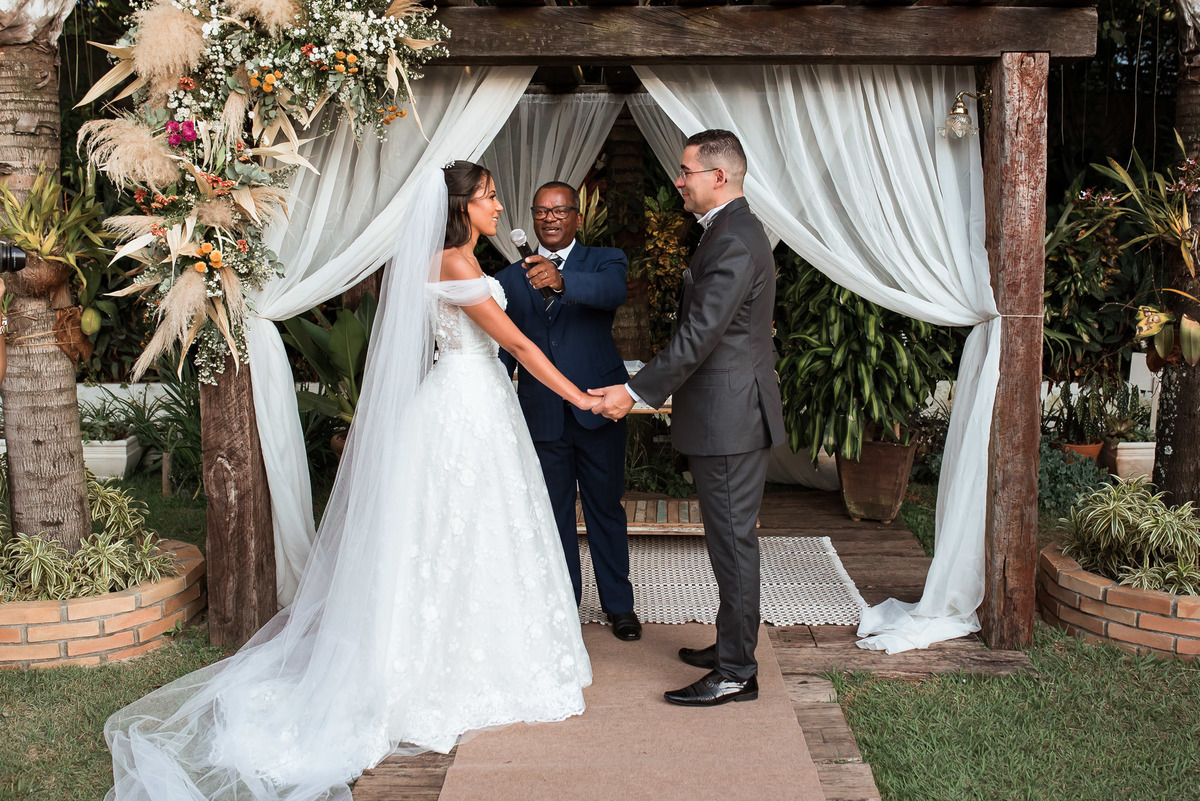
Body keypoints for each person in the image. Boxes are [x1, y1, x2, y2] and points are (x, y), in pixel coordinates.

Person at [103, 162, 596, 801]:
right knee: (459, 527)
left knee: (473, 529)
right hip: (465, 406)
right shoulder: (451, 262)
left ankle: (480, 644)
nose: (500, 207)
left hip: (477, 400)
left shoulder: (465, 260)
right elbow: (523, 347)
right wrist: (582, 399)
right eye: (490, 197)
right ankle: (444, 665)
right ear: (461, 207)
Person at [590, 130, 784, 707]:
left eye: (686, 172)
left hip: (731, 417)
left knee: (733, 546)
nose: (678, 181)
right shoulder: (729, 230)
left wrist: (634, 392)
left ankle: (737, 672)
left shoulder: (734, 239)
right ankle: (730, 648)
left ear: (718, 177)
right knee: (728, 542)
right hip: (727, 412)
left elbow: (700, 335)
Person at [495, 181, 640, 641]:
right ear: (532, 218)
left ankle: (619, 606)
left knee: (605, 508)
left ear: (577, 216)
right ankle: (564, 605)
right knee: (552, 514)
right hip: (540, 414)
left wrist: (561, 281)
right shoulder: (506, 279)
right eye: (541, 211)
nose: (550, 219)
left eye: (560, 211)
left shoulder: (605, 260)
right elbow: (504, 348)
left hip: (598, 407)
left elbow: (611, 292)